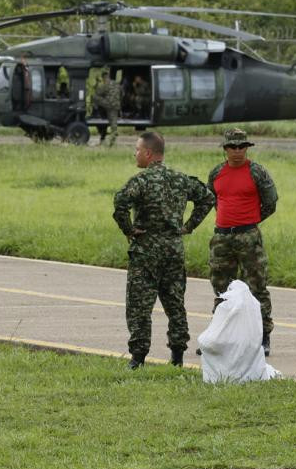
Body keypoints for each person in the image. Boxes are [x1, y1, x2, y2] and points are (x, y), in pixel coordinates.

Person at [113, 132, 214, 368]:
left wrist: (128, 229)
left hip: (146, 250)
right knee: (175, 303)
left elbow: (120, 204)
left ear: (148, 153)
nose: (135, 154)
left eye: (137, 150)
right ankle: (177, 355)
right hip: (173, 249)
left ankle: (138, 358)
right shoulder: (180, 179)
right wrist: (188, 226)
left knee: (139, 305)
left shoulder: (141, 180)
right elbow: (207, 198)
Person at [206, 129, 278, 355]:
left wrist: (250, 220)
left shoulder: (257, 172)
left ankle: (263, 336)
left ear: (247, 147)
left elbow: (270, 203)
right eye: (232, 147)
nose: (237, 151)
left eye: (241, 146)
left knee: (256, 285)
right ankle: (221, 335)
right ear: (225, 149)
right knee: (221, 287)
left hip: (249, 235)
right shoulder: (217, 172)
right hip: (222, 236)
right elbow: (214, 200)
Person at [94, 72, 122, 147]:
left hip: (109, 105)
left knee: (95, 97)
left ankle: (96, 111)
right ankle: (112, 139)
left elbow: (98, 93)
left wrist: (97, 85)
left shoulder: (105, 85)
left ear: (104, 78)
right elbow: (121, 93)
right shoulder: (116, 84)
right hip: (116, 106)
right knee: (113, 123)